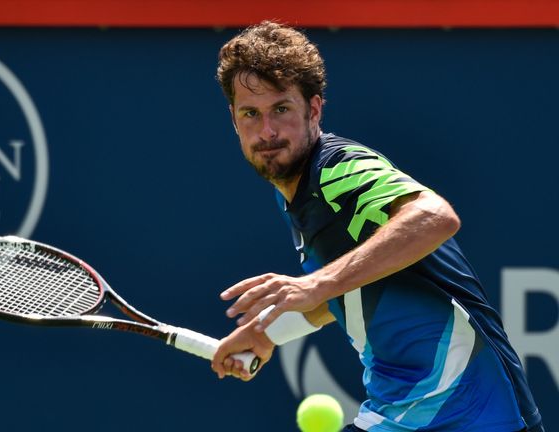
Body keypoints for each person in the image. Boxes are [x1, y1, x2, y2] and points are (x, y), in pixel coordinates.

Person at [209, 21, 544, 432]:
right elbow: (348, 291)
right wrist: (268, 333)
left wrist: (316, 284)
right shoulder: (293, 192)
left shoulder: (337, 169)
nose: (267, 131)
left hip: (467, 408)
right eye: (251, 114)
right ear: (233, 119)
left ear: (313, 109)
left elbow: (436, 216)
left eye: (281, 109)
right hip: (407, 408)